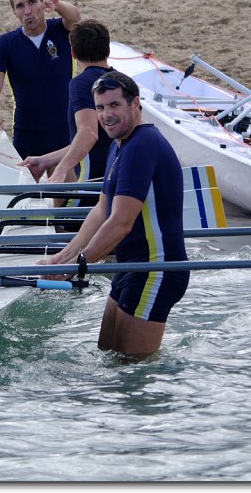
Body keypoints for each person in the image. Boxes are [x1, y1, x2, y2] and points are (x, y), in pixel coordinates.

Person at [37, 71, 189, 359]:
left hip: (156, 271)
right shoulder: (119, 147)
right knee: (109, 361)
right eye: (100, 107)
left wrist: (77, 265)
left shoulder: (142, 146)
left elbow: (120, 223)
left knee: (133, 374)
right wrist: (62, 258)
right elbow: (100, 213)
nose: (106, 115)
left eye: (114, 105)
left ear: (135, 104)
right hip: (130, 268)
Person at [0, 0, 81, 162]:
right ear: (14, 12)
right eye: (20, 6)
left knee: (64, 188)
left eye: (32, 2)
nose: (27, 10)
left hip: (63, 128)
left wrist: (58, 5)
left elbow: (75, 18)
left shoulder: (59, 29)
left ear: (43, 4)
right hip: (27, 131)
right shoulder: (5, 43)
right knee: (26, 187)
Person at [20, 19, 115, 185]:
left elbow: (89, 134)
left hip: (94, 183)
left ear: (73, 54)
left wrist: (61, 169)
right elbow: (89, 142)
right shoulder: (122, 80)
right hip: (119, 178)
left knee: (60, 204)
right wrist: (45, 160)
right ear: (108, 50)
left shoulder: (81, 83)